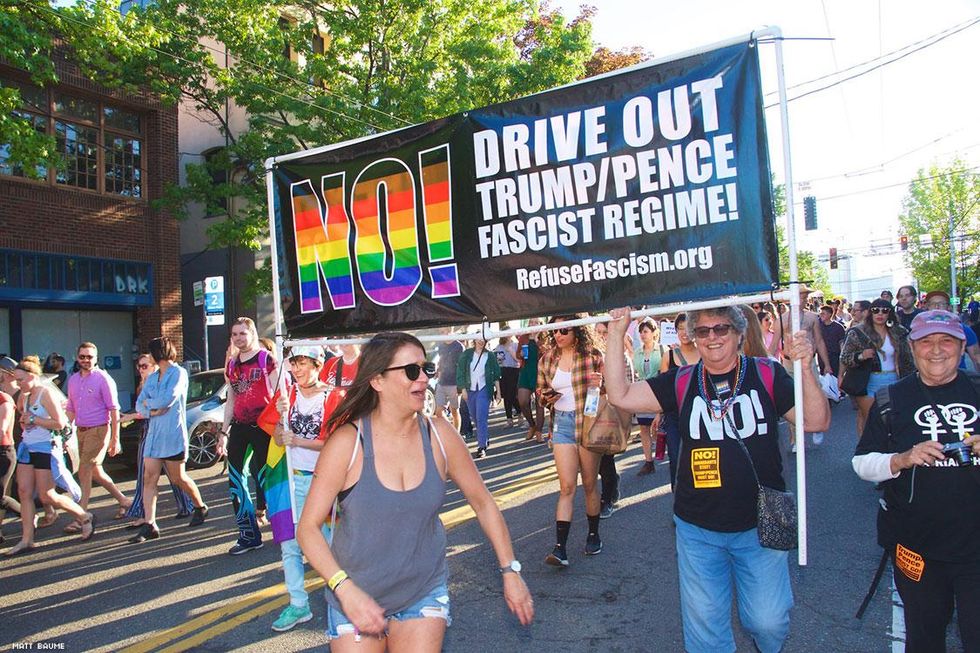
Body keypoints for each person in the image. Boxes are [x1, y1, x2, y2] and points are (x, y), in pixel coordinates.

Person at [604, 305, 830, 653]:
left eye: (722, 328)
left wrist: (804, 367)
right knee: (706, 630)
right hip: (698, 527)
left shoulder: (766, 374)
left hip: (761, 523)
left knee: (767, 622)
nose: (712, 337)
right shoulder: (681, 380)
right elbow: (620, 395)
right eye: (703, 330)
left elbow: (816, 421)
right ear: (694, 337)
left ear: (739, 334)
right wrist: (617, 333)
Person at [296, 332, 534, 651]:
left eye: (426, 368)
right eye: (411, 370)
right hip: (354, 592)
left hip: (423, 591)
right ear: (377, 380)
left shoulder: (440, 436)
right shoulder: (347, 444)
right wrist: (344, 588)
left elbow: (483, 503)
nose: (423, 378)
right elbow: (307, 528)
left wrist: (510, 570)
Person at [852, 310, 980, 652]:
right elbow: (861, 463)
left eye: (946, 341)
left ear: (962, 346)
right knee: (924, 641)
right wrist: (902, 459)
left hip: (976, 548)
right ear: (911, 347)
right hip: (917, 546)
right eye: (926, 341)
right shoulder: (891, 399)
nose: (936, 350)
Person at [267, 346, 334, 632]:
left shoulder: (333, 397)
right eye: (293, 364)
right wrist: (279, 428)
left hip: (323, 481)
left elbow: (336, 442)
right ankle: (298, 604)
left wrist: (297, 440)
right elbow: (276, 436)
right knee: (290, 546)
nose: (296, 369)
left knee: (331, 545)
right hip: (291, 479)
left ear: (317, 365)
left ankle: (342, 597)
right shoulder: (287, 396)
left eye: (302, 363)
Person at [6, 356, 94, 556]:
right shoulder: (24, 396)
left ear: (32, 376)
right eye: (16, 380)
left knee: (47, 495)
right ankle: (27, 539)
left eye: (21, 380)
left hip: (45, 447)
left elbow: (60, 423)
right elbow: (24, 420)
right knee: (24, 491)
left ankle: (84, 516)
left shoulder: (45, 393)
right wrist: (25, 422)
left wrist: (35, 419)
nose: (18, 384)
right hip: (27, 446)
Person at [537, 316, 605, 565]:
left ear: (577, 330)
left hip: (588, 422)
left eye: (564, 330)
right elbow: (539, 393)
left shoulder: (593, 355)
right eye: (555, 330)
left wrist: (601, 385)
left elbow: (608, 391)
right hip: (562, 424)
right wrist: (546, 398)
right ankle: (560, 549)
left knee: (589, 484)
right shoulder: (547, 359)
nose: (559, 335)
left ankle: (593, 534)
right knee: (566, 487)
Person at [127, 337, 209, 544]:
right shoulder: (152, 378)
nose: (149, 357)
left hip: (172, 435)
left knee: (178, 478)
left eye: (151, 353)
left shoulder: (178, 373)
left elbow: (168, 399)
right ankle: (150, 524)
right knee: (149, 478)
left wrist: (151, 405)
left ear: (158, 353)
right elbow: (139, 404)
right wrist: (151, 409)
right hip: (153, 436)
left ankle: (200, 506)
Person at [218, 316, 278, 554]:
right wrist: (223, 431)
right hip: (240, 427)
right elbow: (231, 400)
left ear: (253, 334)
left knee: (268, 480)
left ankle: (285, 529)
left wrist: (282, 424)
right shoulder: (232, 364)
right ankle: (249, 535)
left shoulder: (266, 359)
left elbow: (280, 393)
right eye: (234, 334)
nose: (238, 338)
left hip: (263, 427)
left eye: (243, 333)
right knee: (235, 479)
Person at [119, 354, 194, 529]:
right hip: (149, 431)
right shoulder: (144, 384)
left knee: (175, 476)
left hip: (165, 432)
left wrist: (134, 415)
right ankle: (145, 516)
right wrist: (145, 410)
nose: (141, 369)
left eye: (145, 366)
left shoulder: (163, 380)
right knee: (146, 476)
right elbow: (143, 407)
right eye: (139, 366)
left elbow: (162, 407)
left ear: (154, 366)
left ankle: (190, 505)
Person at [65, 342, 130, 530]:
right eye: (82, 356)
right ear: (77, 358)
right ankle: (124, 500)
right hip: (81, 431)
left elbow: (114, 410)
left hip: (99, 430)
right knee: (95, 472)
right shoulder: (73, 380)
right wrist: (63, 433)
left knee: (84, 470)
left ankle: (81, 517)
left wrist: (115, 439)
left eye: (89, 357)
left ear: (96, 358)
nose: (86, 360)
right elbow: (71, 409)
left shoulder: (103, 379)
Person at [840, 298, 915, 435]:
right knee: (870, 421)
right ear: (870, 313)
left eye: (884, 311)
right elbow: (844, 357)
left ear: (889, 313)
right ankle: (866, 447)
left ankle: (889, 447)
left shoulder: (899, 332)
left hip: (895, 380)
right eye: (876, 310)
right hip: (868, 381)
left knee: (893, 421)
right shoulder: (858, 332)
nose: (880, 314)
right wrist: (860, 356)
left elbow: (909, 359)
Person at [593, 319, 630, 518]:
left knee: (605, 459)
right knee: (595, 462)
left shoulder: (617, 357)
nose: (600, 336)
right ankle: (612, 482)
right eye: (597, 332)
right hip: (589, 414)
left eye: (604, 332)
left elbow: (626, 387)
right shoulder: (589, 356)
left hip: (609, 414)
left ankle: (606, 499)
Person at [659, 313, 701, 486]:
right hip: (674, 415)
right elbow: (662, 389)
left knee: (701, 461)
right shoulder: (668, 356)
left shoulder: (705, 353)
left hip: (701, 414)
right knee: (676, 459)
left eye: (688, 328)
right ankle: (679, 496)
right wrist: (658, 414)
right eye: (680, 328)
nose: (684, 332)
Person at [456, 335, 501, 459]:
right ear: (474, 340)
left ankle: (481, 446)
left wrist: (498, 392)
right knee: (475, 417)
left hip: (484, 389)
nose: (481, 341)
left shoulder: (490, 355)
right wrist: (463, 389)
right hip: (470, 389)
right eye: (479, 339)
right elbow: (460, 372)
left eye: (483, 339)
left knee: (481, 417)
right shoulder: (467, 354)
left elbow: (496, 375)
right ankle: (484, 438)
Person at [631, 318, 663, 476]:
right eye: (641, 332)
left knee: (659, 426)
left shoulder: (662, 349)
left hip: (658, 390)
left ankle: (663, 453)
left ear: (653, 333)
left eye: (646, 331)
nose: (643, 335)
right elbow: (636, 371)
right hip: (643, 390)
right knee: (644, 426)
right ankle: (648, 461)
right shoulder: (637, 352)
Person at [923, 290, 980, 370]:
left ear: (948, 307)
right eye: (932, 304)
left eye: (941, 304)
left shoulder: (962, 329)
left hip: (957, 375)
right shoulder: (919, 330)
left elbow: (976, 358)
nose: (937, 307)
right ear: (927, 307)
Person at [516, 318, 545, 442]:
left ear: (540, 324)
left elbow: (547, 353)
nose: (532, 324)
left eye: (535, 322)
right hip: (526, 372)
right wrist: (520, 354)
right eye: (531, 322)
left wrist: (537, 340)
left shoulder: (544, 337)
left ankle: (539, 431)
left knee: (540, 404)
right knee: (522, 401)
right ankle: (532, 425)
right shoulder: (523, 337)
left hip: (540, 373)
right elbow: (517, 354)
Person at [433, 329, 463, 431]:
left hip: (454, 383)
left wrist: (461, 385)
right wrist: (438, 371)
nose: (443, 334)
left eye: (445, 331)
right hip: (442, 382)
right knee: (439, 412)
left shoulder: (458, 346)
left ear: (451, 330)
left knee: (454, 411)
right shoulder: (441, 346)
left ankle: (457, 433)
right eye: (441, 332)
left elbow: (462, 366)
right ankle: (451, 432)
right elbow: (441, 360)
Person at [494, 333, 521, 428]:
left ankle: (519, 413)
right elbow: (498, 361)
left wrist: (510, 350)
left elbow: (518, 360)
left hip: (514, 370)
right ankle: (509, 419)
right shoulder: (499, 347)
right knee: (506, 395)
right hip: (503, 371)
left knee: (512, 395)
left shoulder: (516, 345)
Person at [818, 305, 846, 378]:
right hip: (822, 358)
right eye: (820, 313)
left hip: (835, 358)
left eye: (823, 313)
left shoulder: (838, 327)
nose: (821, 315)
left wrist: (842, 357)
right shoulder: (818, 326)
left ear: (829, 314)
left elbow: (842, 343)